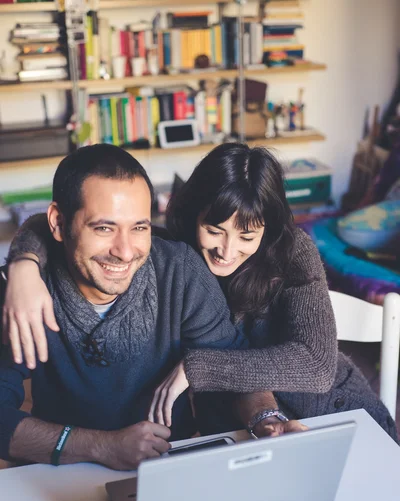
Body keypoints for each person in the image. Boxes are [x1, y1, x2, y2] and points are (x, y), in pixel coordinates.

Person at [3, 143, 397, 442]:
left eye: (247, 235)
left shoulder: (291, 250)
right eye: (215, 230)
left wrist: (199, 367)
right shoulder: (168, 247)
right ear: (192, 216)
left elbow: (315, 365)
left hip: (329, 409)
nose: (228, 250)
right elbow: (62, 222)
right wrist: (22, 265)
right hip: (238, 423)